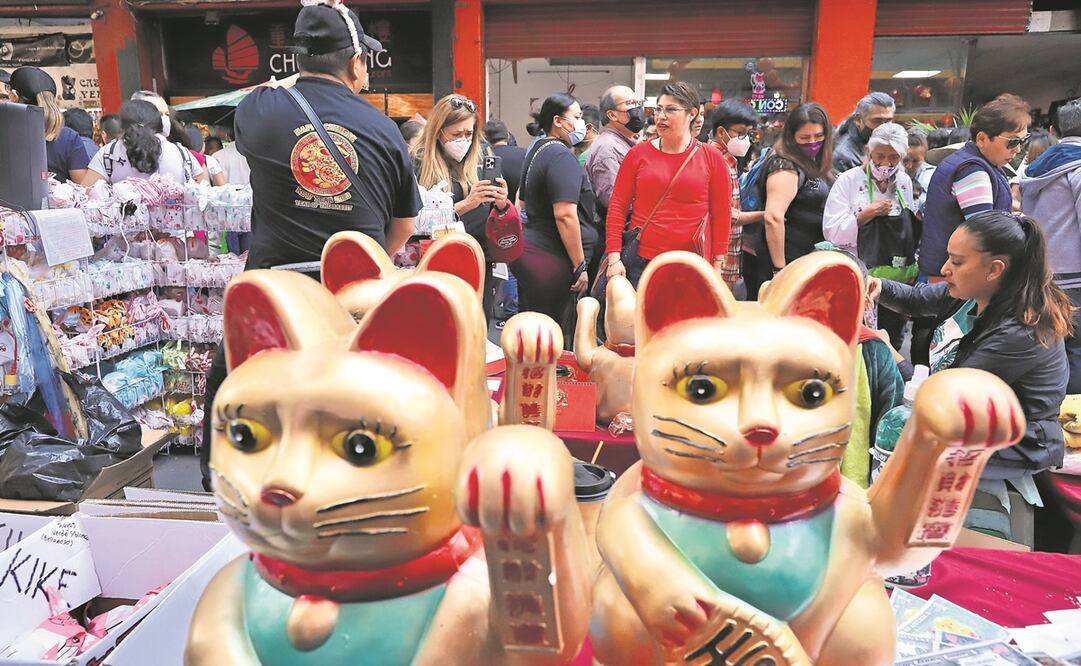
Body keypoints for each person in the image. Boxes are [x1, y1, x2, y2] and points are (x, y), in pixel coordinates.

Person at [201, 1, 422, 491]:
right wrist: (356, 257)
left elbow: (264, 97)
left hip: (270, 301)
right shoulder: (385, 130)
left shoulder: (258, 109)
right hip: (350, 303)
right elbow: (404, 226)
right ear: (357, 61)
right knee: (353, 417)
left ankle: (226, 496)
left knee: (237, 401)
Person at [869, 210, 1071, 495]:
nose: (944, 268)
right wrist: (878, 286)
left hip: (1012, 446)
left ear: (994, 270)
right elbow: (916, 299)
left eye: (957, 261)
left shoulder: (1019, 333)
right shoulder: (971, 296)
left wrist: (890, 353)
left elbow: (946, 401)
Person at [604, 82, 731, 287]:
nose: (661, 116)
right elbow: (617, 207)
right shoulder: (638, 154)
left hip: (693, 264)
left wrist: (718, 261)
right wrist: (614, 258)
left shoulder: (712, 157)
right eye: (658, 109)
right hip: (642, 262)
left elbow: (721, 213)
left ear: (692, 113)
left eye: (671, 110)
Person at [412, 93, 508, 317]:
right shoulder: (417, 162)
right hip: (434, 263)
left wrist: (502, 204)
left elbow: (494, 212)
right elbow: (413, 221)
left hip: (478, 261)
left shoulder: (482, 157)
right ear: (438, 131)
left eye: (469, 133)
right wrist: (464, 205)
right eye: (456, 134)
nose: (463, 140)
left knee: (474, 333)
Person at [823, 122, 916, 347]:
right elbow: (831, 231)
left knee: (892, 337)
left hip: (894, 276)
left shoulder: (904, 182)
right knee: (857, 335)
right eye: (880, 156)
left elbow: (908, 227)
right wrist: (865, 215)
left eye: (894, 157)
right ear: (868, 151)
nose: (886, 163)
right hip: (856, 272)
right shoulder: (849, 180)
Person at [919, 94, 1030, 279]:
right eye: (1013, 141)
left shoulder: (977, 163)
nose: (1018, 149)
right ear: (982, 139)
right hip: (952, 279)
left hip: (952, 275)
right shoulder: (972, 170)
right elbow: (985, 229)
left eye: (1023, 140)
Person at [513, 93, 599, 323]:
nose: (583, 123)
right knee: (552, 333)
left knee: (534, 330)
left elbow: (521, 199)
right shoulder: (560, 156)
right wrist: (579, 265)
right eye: (577, 116)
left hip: (534, 251)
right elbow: (565, 215)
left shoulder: (537, 149)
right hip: (553, 257)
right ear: (558, 121)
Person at [1020, 98, 1081, 393]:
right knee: (1077, 353)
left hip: (1041, 273)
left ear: (1055, 129)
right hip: (1075, 280)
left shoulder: (1036, 167)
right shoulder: (1078, 168)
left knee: (1048, 351)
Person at [753, 102, 833, 292]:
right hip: (787, 262)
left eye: (819, 136)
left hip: (805, 261)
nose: (812, 142)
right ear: (792, 137)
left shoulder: (812, 163)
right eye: (805, 137)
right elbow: (773, 217)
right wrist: (779, 270)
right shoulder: (785, 165)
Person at [708, 98, 762, 297]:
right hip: (718, 258)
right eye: (740, 133)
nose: (745, 140)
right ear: (721, 132)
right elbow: (725, 215)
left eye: (748, 134)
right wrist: (764, 215)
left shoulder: (729, 161)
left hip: (726, 255)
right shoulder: (716, 162)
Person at [83, 100, 202, 185]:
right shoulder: (181, 153)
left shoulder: (108, 154)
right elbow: (204, 192)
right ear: (159, 123)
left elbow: (87, 196)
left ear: (122, 126)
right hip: (176, 220)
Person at [7, 66, 89, 182]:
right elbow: (84, 188)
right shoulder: (68, 138)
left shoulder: (5, 136)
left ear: (13, 97)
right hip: (58, 199)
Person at [585, 85, 642, 221]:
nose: (637, 109)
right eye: (630, 104)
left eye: (637, 103)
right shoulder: (607, 149)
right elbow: (615, 202)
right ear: (612, 115)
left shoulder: (622, 144)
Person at [832, 92, 896, 172]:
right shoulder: (843, 157)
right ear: (859, 120)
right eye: (877, 121)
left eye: (888, 121)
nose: (883, 127)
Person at [483, 118, 525, 203]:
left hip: (494, 211)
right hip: (521, 212)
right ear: (508, 135)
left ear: (485, 139)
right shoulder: (525, 154)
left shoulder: (484, 158)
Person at [904, 128, 934, 214]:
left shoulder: (933, 175)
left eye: (915, 161)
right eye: (905, 160)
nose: (909, 166)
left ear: (924, 155)